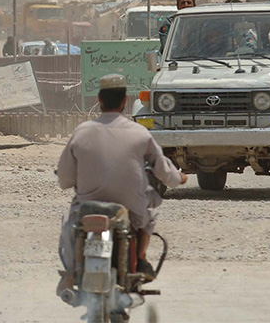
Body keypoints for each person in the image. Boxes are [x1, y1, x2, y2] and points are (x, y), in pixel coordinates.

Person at [56, 74, 187, 292]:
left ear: (99, 99)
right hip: (130, 212)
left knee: (69, 224)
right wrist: (180, 178)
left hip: (88, 210)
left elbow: (64, 180)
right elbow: (166, 173)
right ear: (125, 100)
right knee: (151, 208)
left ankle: (71, 272)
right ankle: (142, 258)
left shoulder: (81, 132)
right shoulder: (140, 133)